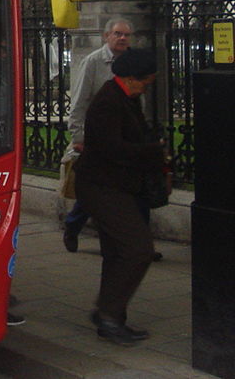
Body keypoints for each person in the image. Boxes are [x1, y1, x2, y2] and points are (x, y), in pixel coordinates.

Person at [73, 48, 168, 345]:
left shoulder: (126, 98)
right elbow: (112, 149)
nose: (146, 86)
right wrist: (154, 151)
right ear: (130, 77)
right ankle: (109, 316)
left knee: (117, 252)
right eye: (146, 81)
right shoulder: (108, 103)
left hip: (115, 186)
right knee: (138, 249)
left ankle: (109, 314)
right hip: (101, 186)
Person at [62, 17, 132, 252]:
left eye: (126, 35)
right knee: (98, 191)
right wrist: (79, 138)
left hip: (122, 138)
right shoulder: (93, 62)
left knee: (119, 191)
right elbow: (79, 101)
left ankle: (118, 240)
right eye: (117, 34)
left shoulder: (131, 62)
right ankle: (73, 226)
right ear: (106, 36)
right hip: (96, 140)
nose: (122, 38)